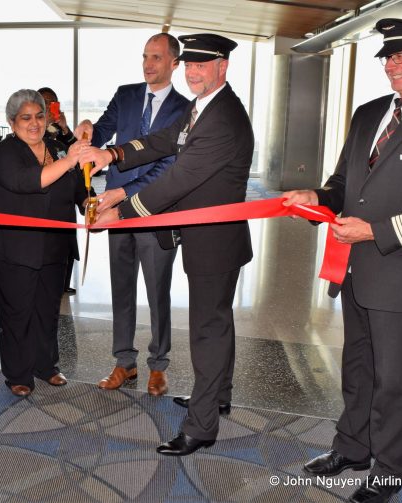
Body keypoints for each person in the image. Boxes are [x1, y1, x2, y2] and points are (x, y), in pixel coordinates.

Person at [284, 19, 402, 503]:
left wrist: (374, 231)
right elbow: (343, 186)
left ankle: (389, 470)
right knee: (357, 365)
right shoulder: (369, 113)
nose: (391, 63)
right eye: (387, 56)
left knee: (395, 377)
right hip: (355, 267)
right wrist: (318, 198)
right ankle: (351, 447)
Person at [79, 33, 253, 455]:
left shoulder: (222, 118)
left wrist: (122, 208)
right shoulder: (202, 107)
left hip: (213, 242)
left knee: (207, 332)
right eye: (189, 65)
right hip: (211, 239)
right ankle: (217, 396)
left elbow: (179, 178)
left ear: (221, 68)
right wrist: (113, 156)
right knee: (216, 324)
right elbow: (160, 142)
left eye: (201, 65)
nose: (193, 72)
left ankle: (200, 426)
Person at [77, 32, 189, 397]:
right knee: (121, 288)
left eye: (156, 57)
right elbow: (103, 133)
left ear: (174, 62)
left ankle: (159, 366)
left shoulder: (185, 109)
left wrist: (124, 195)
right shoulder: (125, 95)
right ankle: (124, 362)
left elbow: (171, 166)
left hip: (156, 212)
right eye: (144, 56)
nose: (148, 64)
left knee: (158, 291)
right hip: (115, 213)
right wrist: (88, 128)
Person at [0, 89, 88, 397]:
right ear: (12, 122)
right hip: (14, 248)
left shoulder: (57, 147)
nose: (34, 124)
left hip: (54, 247)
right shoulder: (5, 152)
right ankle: (17, 373)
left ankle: (46, 366)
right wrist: (70, 160)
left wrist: (91, 204)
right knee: (17, 311)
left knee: (47, 309)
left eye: (40, 116)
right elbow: (28, 181)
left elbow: (77, 187)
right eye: (25, 118)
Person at [38, 87, 80, 295]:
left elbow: (76, 157)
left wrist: (64, 129)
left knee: (68, 245)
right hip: (44, 204)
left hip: (65, 203)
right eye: (44, 102)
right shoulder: (33, 132)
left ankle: (63, 282)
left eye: (52, 103)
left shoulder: (59, 134)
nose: (48, 107)